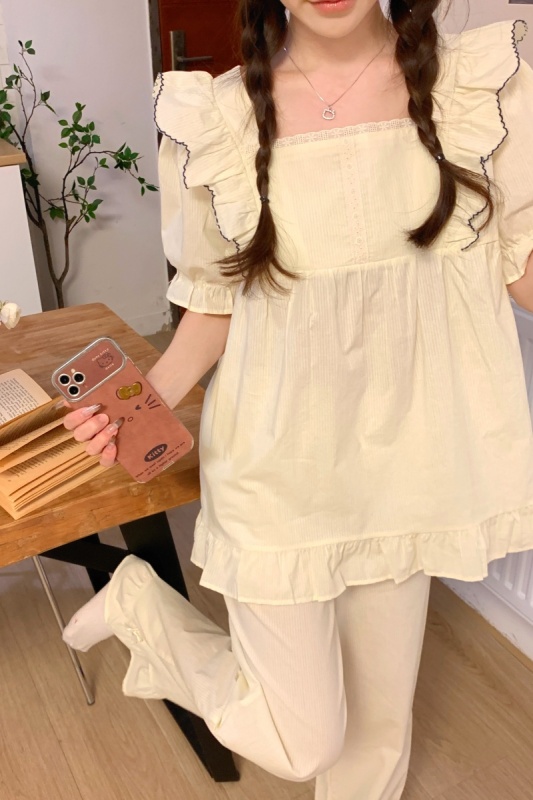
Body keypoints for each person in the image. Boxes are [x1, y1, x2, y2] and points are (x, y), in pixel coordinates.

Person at [62, 2, 533, 798]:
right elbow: (213, 303)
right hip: (273, 460)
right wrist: (139, 404)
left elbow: (516, 261)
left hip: (408, 459)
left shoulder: (476, 88)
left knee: (377, 734)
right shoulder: (218, 118)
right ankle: (143, 607)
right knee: (301, 738)